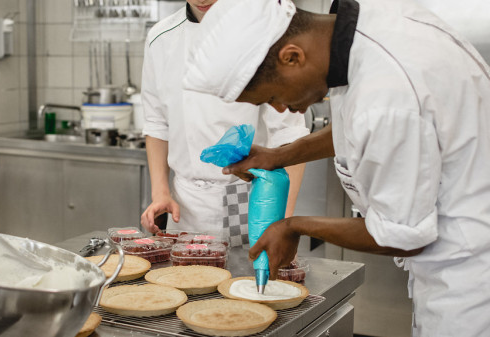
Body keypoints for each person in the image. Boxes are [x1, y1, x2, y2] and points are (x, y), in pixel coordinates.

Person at [183, 0, 490, 336]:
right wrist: (277, 156)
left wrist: (293, 226)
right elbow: (358, 125)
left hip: (470, 280)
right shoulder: (366, 29)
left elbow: (404, 236)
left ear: (293, 56)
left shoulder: (386, 95)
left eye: (272, 96)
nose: (281, 107)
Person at [139, 0, 310, 244]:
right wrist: (160, 193)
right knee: (184, 277)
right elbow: (157, 123)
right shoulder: (161, 38)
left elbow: (289, 134)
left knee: (244, 278)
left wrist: (283, 220)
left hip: (246, 196)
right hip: (184, 203)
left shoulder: (262, 30)